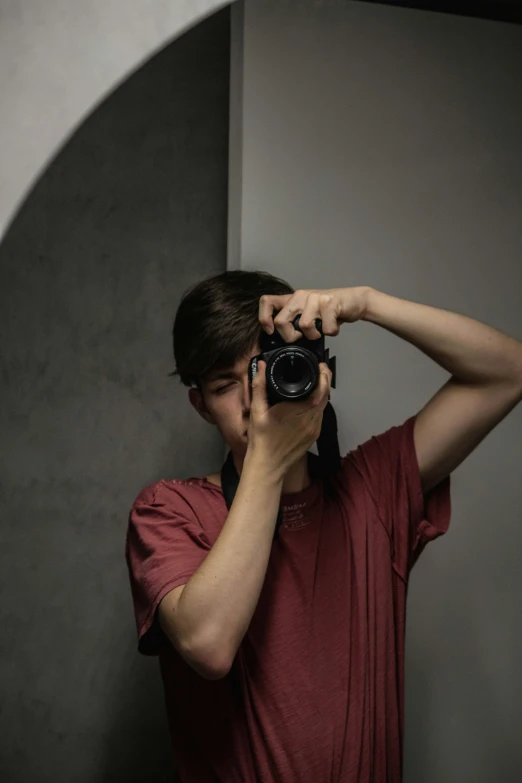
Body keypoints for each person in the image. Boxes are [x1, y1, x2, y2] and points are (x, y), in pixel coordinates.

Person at [125, 269, 522, 783]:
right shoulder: (168, 511)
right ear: (200, 406)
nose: (254, 399)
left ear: (315, 370)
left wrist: (366, 302)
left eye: (262, 371)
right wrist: (271, 455)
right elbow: (209, 644)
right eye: (227, 386)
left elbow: (507, 371)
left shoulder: (370, 492)